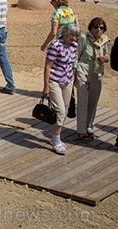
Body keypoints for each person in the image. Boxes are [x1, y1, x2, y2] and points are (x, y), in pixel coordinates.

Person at [42, 23, 80, 155]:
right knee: (60, 110)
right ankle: (56, 140)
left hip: (67, 80)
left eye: (76, 36)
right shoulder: (55, 46)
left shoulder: (74, 46)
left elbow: (73, 64)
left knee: (65, 108)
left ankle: (55, 136)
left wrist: (74, 79)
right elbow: (48, 66)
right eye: (71, 35)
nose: (74, 38)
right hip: (55, 80)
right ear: (65, 33)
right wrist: (46, 86)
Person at [75, 18, 110, 141]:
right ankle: (81, 130)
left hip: (97, 73)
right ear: (91, 27)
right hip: (82, 71)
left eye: (101, 27)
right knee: (83, 101)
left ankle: (89, 127)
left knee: (93, 102)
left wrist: (105, 58)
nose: (98, 30)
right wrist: (74, 74)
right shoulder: (84, 38)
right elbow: (76, 56)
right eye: (96, 27)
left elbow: (107, 54)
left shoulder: (104, 40)